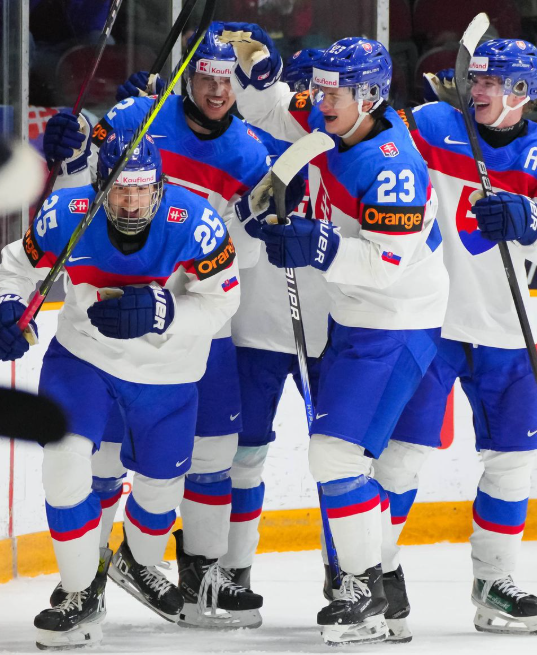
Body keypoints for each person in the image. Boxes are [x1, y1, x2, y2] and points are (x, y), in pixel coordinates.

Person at [41, 22, 300, 629]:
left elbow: (243, 260)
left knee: (212, 453)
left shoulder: (249, 153)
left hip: (194, 327)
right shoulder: (135, 116)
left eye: (226, 79)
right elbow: (77, 193)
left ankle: (200, 572)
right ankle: (85, 578)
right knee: (95, 456)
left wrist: (254, 231)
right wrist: (67, 155)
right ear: (187, 78)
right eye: (205, 77)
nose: (216, 91)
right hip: (110, 319)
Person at [220, 24, 449, 645]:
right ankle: (375, 584)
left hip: (395, 320)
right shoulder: (337, 116)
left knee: (337, 455)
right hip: (357, 318)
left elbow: (387, 264)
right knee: (362, 459)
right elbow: (270, 110)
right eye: (318, 90)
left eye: (332, 94)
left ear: (369, 98)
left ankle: (364, 585)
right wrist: (259, 75)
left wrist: (319, 246)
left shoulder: (392, 165)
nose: (319, 102)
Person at [0, 131, 241, 649]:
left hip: (169, 375)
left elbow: (224, 301)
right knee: (64, 462)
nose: (130, 203)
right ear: (100, 186)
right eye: (120, 190)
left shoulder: (197, 222)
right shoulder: (66, 213)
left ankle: (137, 562)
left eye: (142, 191)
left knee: (158, 497)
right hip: (85, 358)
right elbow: (16, 267)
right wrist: (6, 307)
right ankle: (80, 593)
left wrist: (163, 310)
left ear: (160, 188)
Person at [372, 38, 537, 641]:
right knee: (403, 453)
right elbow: (369, 144)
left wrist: (530, 219)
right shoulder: (436, 124)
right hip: (430, 322)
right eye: (478, 81)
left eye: (498, 84)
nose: (482, 91)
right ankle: (374, 572)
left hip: (504, 331)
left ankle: (494, 582)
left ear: (525, 92)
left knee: (513, 463)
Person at [220, 46, 330, 597]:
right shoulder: (248, 146)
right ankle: (231, 570)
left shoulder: (350, 155)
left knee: (340, 461)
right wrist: (248, 216)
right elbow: (221, 237)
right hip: (254, 331)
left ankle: (346, 572)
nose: (311, 103)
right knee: (241, 456)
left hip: (329, 336)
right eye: (303, 90)